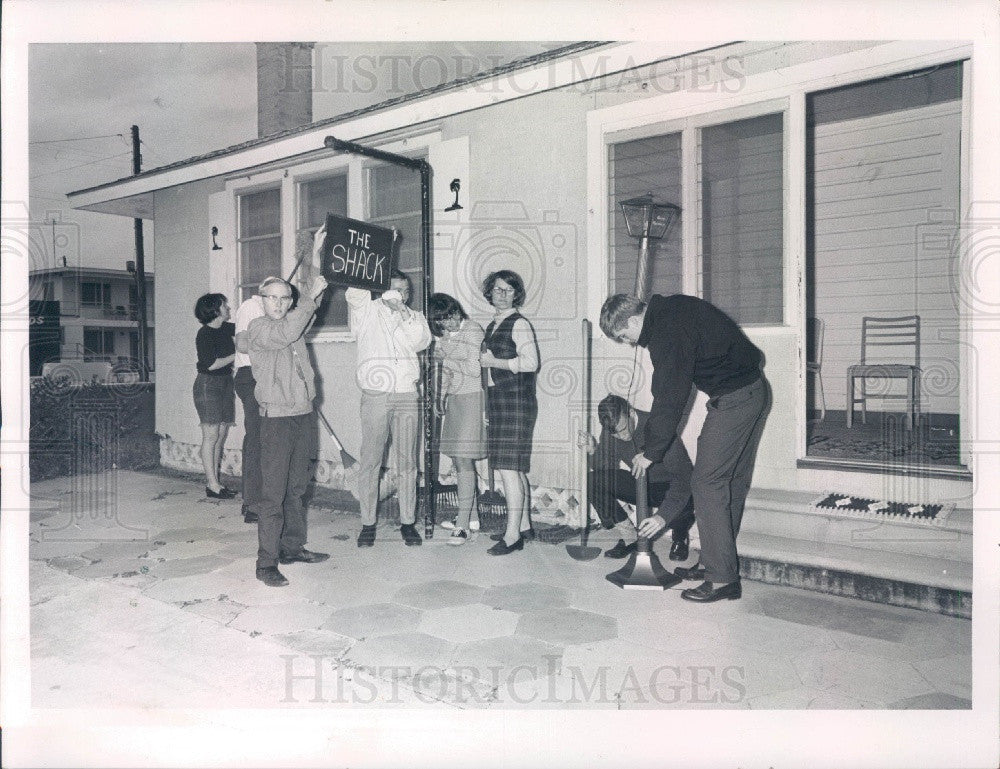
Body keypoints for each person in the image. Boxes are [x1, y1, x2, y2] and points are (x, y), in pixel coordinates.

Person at [599, 293, 770, 603]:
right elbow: (668, 385)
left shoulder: (667, 330)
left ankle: (721, 579)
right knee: (729, 482)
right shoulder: (672, 310)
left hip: (736, 398)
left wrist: (651, 451)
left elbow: (669, 395)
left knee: (705, 482)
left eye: (625, 336)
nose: (629, 343)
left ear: (635, 321)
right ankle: (716, 563)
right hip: (750, 390)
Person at [241, 273, 331, 587]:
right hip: (276, 420)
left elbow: (308, 311)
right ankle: (266, 563)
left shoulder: (293, 323)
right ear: (261, 300)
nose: (278, 304)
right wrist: (308, 298)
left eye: (284, 298)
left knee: (296, 490)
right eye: (272, 297)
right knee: (273, 495)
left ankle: (292, 548)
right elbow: (289, 328)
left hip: (303, 416)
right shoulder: (259, 328)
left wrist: (319, 262)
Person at [346, 270, 432, 548]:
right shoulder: (366, 310)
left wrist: (403, 310)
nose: (401, 294)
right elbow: (355, 292)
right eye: (394, 289)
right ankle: (368, 523)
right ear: (382, 290)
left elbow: (421, 341)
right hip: (375, 394)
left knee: (408, 463)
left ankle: (408, 522)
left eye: (405, 290)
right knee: (371, 460)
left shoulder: (414, 317)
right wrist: (372, 259)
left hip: (406, 394)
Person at [577, 394, 695, 561]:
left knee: (686, 500)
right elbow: (604, 468)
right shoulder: (612, 429)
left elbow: (684, 479)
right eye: (616, 434)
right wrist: (592, 450)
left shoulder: (658, 427)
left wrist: (662, 517)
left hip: (669, 485)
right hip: (640, 482)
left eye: (624, 429)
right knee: (593, 481)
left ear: (631, 412)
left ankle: (680, 536)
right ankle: (630, 537)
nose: (622, 436)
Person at [480, 270, 539, 556]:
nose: (501, 294)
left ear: (516, 294)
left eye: (507, 290)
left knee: (507, 469)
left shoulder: (520, 324)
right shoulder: (494, 324)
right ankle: (524, 525)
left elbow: (531, 363)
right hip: (500, 401)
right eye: (497, 289)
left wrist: (494, 361)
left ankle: (512, 535)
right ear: (489, 293)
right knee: (514, 468)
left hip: (516, 401)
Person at [427, 292, 487, 546]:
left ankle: (461, 527)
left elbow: (474, 369)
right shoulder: (446, 339)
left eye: (450, 316)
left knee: (464, 460)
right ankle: (472, 519)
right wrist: (439, 397)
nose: (449, 324)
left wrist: (446, 354)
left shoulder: (473, 329)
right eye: (441, 321)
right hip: (455, 400)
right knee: (459, 460)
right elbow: (448, 373)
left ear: (456, 310)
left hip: (474, 398)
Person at [192, 293, 236, 500]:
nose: (228, 307)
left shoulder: (227, 328)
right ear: (215, 311)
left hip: (226, 382)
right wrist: (238, 354)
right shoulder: (204, 334)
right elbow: (211, 364)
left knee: (220, 434)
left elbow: (248, 331)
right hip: (208, 385)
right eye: (224, 305)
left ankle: (215, 483)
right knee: (211, 435)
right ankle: (212, 484)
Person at [233, 293, 265, 523]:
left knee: (268, 438)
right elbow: (242, 344)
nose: (280, 302)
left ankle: (260, 498)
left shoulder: (276, 311)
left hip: (268, 377)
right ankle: (252, 504)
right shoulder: (251, 306)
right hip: (251, 376)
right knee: (256, 437)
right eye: (275, 297)